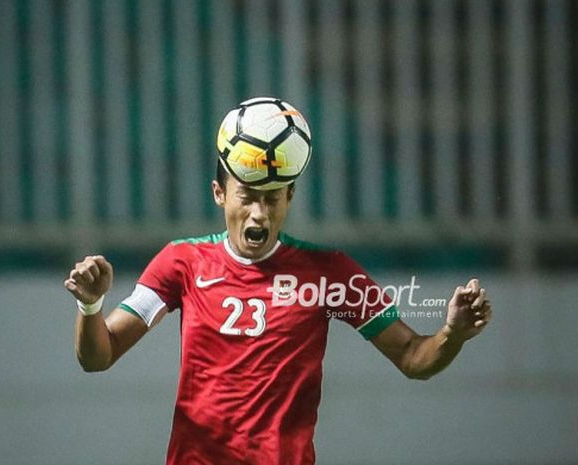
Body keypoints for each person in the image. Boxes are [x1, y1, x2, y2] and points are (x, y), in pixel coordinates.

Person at [64, 102, 492, 465]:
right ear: (219, 194)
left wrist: (452, 334)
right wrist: (90, 306)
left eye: (271, 198)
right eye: (246, 196)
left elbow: (413, 357)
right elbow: (98, 357)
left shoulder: (331, 273)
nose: (258, 214)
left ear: (289, 198)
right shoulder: (181, 263)